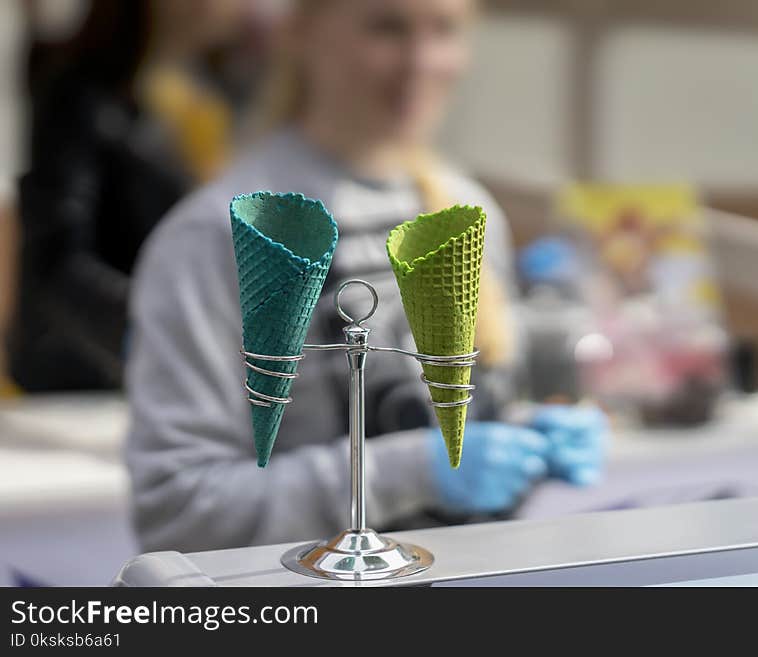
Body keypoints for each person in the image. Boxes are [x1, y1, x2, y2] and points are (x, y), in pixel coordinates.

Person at [127, 0, 607, 553]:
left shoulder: (466, 211)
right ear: (302, 32)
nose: (420, 62)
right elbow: (178, 513)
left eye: (445, 30)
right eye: (387, 27)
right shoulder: (223, 235)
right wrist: (412, 472)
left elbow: (463, 417)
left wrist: (525, 437)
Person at [7, 0, 248, 391]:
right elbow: (55, 258)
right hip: (84, 375)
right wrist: (159, 328)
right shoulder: (81, 97)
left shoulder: (207, 96)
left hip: (162, 372)